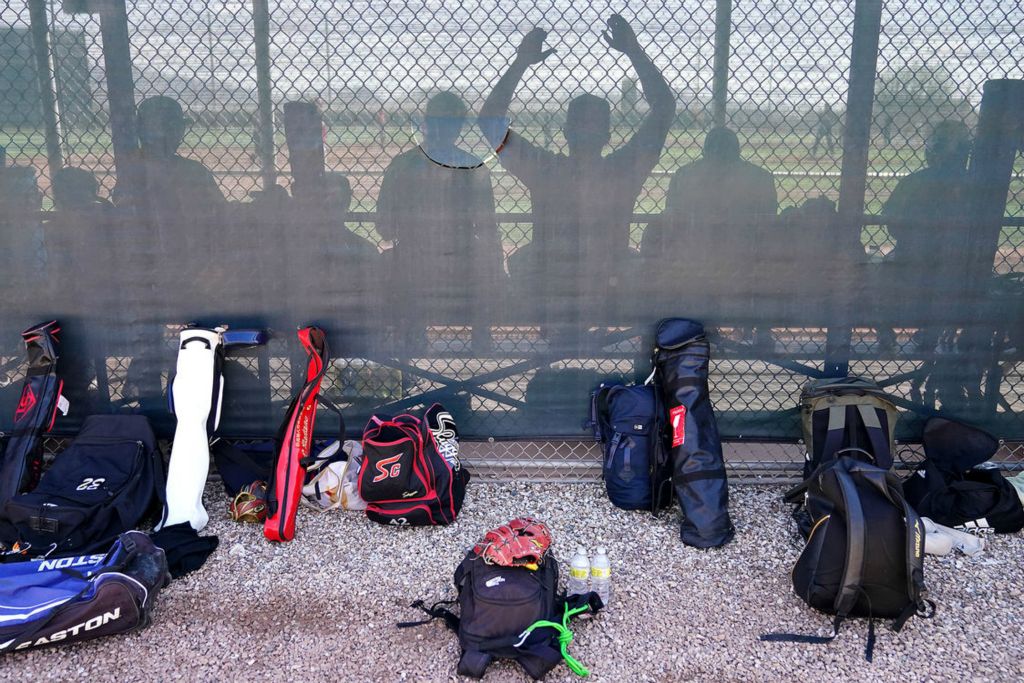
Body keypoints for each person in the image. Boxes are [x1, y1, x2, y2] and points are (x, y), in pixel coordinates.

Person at [479, 15, 675, 346]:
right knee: (643, 267)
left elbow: (489, 121)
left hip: (550, 287)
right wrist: (634, 51)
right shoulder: (621, 170)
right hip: (609, 286)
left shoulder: (546, 170)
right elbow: (664, 108)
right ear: (608, 135)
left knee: (525, 260)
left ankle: (558, 334)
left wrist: (521, 62)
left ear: (566, 133)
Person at [377, 91, 504, 353]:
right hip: (463, 266)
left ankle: (412, 338)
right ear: (460, 126)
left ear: (425, 122)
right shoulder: (472, 167)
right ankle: (481, 337)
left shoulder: (403, 165)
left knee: (390, 261)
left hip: (414, 266)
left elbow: (384, 227)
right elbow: (488, 229)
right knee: (486, 259)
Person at [643, 127, 777, 329]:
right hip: (744, 265)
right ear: (737, 152)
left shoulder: (685, 174)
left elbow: (670, 219)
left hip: (691, 263)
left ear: (704, 152)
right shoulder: (759, 177)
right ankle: (760, 331)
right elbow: (770, 225)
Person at [880, 120, 973, 351]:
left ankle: (885, 332)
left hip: (912, 263)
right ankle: (934, 332)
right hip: (961, 270)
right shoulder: (977, 184)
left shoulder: (914, 182)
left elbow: (891, 224)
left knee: (876, 270)